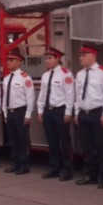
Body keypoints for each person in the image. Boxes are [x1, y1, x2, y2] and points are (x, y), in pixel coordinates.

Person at [75, 43, 103, 188]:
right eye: (80, 55)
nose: (80, 58)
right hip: (83, 113)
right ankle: (90, 174)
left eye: (83, 55)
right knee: (86, 147)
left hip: (97, 113)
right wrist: (76, 112)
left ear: (93, 55)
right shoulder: (80, 74)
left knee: (101, 147)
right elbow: (78, 96)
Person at [36, 47, 76, 181]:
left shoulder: (66, 74)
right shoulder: (45, 75)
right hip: (48, 110)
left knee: (64, 141)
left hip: (60, 110)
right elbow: (42, 94)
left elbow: (70, 95)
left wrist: (68, 112)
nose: (47, 61)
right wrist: (41, 110)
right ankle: (54, 168)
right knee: (51, 141)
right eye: (46, 58)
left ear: (57, 59)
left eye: (49, 58)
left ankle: (67, 169)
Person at [1, 52, 34, 174]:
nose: (8, 62)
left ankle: (24, 164)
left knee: (22, 139)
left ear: (18, 62)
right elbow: (4, 97)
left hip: (20, 111)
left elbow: (30, 98)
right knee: (12, 139)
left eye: (12, 60)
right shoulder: (6, 78)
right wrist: (5, 112)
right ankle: (15, 163)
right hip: (10, 112)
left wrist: (28, 114)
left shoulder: (25, 78)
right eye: (8, 60)